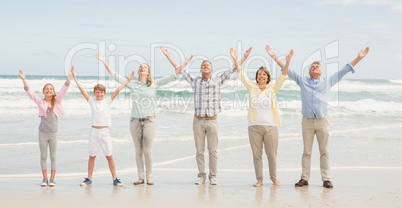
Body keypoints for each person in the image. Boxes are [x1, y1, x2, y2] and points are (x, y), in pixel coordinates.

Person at [266, 45, 370, 188]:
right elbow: (287, 70)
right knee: (306, 151)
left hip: (322, 121)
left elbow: (344, 70)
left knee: (324, 151)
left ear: (321, 71)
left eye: (317, 66)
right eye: (312, 66)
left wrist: (359, 58)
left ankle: (326, 179)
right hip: (307, 122)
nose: (314, 67)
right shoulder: (303, 81)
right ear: (309, 71)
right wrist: (274, 57)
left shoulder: (327, 81)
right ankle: (304, 178)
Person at [97, 52, 191, 186]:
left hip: (149, 121)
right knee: (138, 151)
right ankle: (140, 177)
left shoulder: (154, 84)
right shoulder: (132, 84)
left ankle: (149, 177)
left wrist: (184, 64)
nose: (142, 68)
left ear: (148, 73)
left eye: (145, 67)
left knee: (147, 150)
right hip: (134, 121)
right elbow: (115, 76)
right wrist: (104, 61)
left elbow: (172, 76)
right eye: (140, 67)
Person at [161, 46, 252, 185]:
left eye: (207, 65)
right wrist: (168, 56)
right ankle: (201, 176)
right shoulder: (195, 81)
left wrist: (244, 57)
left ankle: (213, 176)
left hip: (212, 121)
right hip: (198, 121)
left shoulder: (218, 80)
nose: (205, 66)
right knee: (199, 151)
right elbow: (180, 70)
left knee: (213, 151)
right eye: (203, 65)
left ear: (211, 69)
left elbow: (233, 68)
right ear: (200, 70)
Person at [230, 48, 293, 187]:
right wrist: (236, 59)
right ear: (257, 77)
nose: (261, 76)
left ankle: (274, 178)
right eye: (259, 74)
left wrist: (286, 61)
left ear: (268, 77)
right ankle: (259, 179)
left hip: (271, 127)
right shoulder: (252, 87)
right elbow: (241, 74)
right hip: (253, 126)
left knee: (272, 155)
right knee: (257, 155)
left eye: (264, 74)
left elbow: (283, 76)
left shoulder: (273, 88)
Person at [72, 67, 134, 187]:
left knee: (109, 156)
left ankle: (115, 178)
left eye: (101, 92)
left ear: (104, 93)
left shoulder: (107, 101)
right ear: (94, 93)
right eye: (97, 92)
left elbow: (118, 90)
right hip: (94, 131)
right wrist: (75, 77)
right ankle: (89, 178)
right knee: (92, 156)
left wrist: (127, 81)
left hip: (104, 132)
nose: (99, 94)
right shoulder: (91, 101)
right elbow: (81, 89)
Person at [19, 68, 73, 187]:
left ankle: (52, 179)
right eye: (47, 89)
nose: (49, 90)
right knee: (43, 156)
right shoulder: (40, 102)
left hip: (53, 133)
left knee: (53, 156)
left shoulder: (57, 101)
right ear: (43, 92)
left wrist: (69, 78)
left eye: (51, 89)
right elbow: (30, 93)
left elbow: (64, 89)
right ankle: (45, 179)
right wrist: (24, 79)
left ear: (53, 92)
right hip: (43, 133)